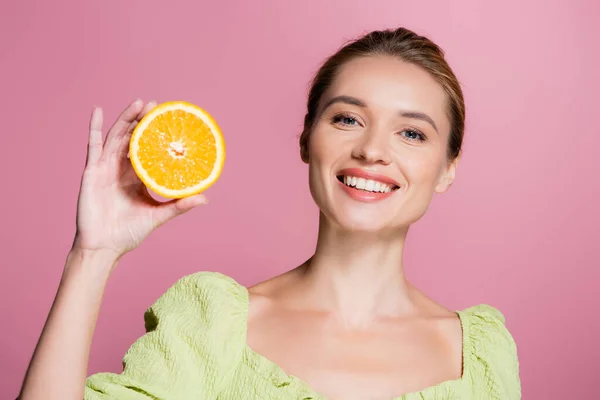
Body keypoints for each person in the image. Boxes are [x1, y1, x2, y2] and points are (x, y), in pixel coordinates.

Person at [18, 27, 521, 400]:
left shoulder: (478, 352)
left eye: (411, 132)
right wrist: (93, 253)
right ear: (307, 140)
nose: (372, 150)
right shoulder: (211, 324)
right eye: (347, 119)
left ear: (447, 169)